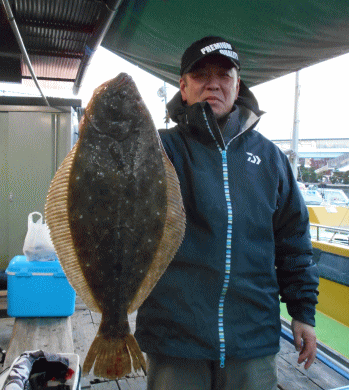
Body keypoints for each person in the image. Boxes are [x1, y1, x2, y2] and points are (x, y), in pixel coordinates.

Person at [135, 36, 319, 390]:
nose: (213, 83)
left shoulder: (271, 159)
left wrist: (302, 313)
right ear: (183, 87)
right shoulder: (157, 149)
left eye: (224, 74)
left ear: (237, 86)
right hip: (175, 338)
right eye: (201, 74)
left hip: (252, 338)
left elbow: (293, 241)